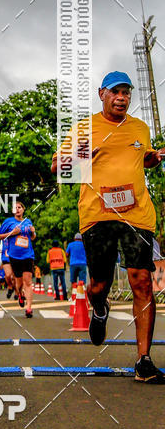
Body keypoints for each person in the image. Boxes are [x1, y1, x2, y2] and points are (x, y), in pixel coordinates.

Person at [52, 71, 165, 383]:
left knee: (142, 281)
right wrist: (82, 158)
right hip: (97, 215)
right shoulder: (84, 128)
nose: (121, 98)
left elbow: (142, 158)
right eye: (115, 92)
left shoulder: (139, 128)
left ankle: (144, 360)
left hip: (137, 214)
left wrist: (155, 157)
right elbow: (57, 167)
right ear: (101, 93)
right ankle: (100, 307)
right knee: (99, 285)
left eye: (126, 93)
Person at [0, 201, 36, 317]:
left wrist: (33, 232)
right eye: (15, 208)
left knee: (28, 281)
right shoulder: (8, 222)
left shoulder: (28, 222)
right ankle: (20, 294)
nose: (18, 209)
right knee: (18, 283)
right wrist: (12, 233)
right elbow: (0, 236)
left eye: (20, 207)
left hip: (28, 255)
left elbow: (32, 238)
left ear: (23, 209)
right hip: (14, 256)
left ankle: (29, 308)